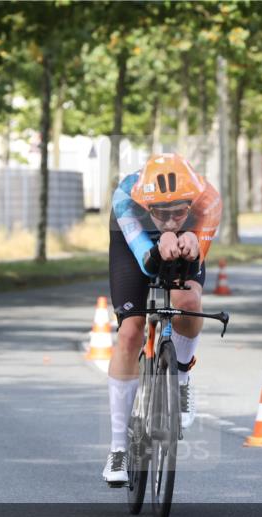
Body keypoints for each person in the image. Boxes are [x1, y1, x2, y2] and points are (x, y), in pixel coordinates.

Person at [103, 153, 222, 484]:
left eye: (178, 212)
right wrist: (158, 247)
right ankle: (118, 449)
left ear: (192, 203)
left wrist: (193, 240)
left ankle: (181, 379)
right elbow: (146, 262)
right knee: (130, 332)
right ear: (146, 205)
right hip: (134, 245)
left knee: (188, 301)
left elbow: (195, 261)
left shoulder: (208, 199)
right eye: (161, 213)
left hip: (189, 237)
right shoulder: (126, 198)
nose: (170, 221)